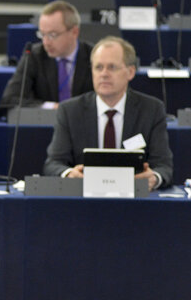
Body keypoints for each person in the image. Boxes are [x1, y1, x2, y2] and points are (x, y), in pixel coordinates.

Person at [43, 36, 172, 190]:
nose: (104, 74)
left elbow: (164, 167)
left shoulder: (152, 109)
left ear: (130, 72)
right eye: (98, 67)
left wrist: (153, 178)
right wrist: (69, 174)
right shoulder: (70, 111)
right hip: (84, 200)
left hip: (134, 201)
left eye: (112, 67)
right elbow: (53, 164)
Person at [0, 0, 94, 108]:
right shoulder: (34, 55)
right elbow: (9, 99)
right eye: (42, 34)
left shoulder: (94, 56)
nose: (46, 42)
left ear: (74, 32)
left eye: (52, 35)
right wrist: (50, 107)